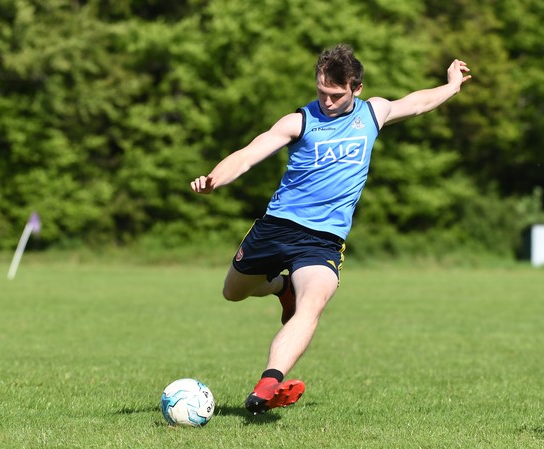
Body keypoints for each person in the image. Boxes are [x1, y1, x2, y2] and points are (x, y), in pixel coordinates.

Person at [190, 44, 471, 414]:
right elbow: (249, 153)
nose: (326, 101)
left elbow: (416, 102)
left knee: (312, 305)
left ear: (356, 88)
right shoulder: (300, 121)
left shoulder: (373, 113)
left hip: (323, 240)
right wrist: (215, 179)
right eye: (321, 91)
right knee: (233, 292)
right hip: (277, 227)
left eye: (335, 95)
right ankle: (280, 285)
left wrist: (450, 86)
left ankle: (268, 382)